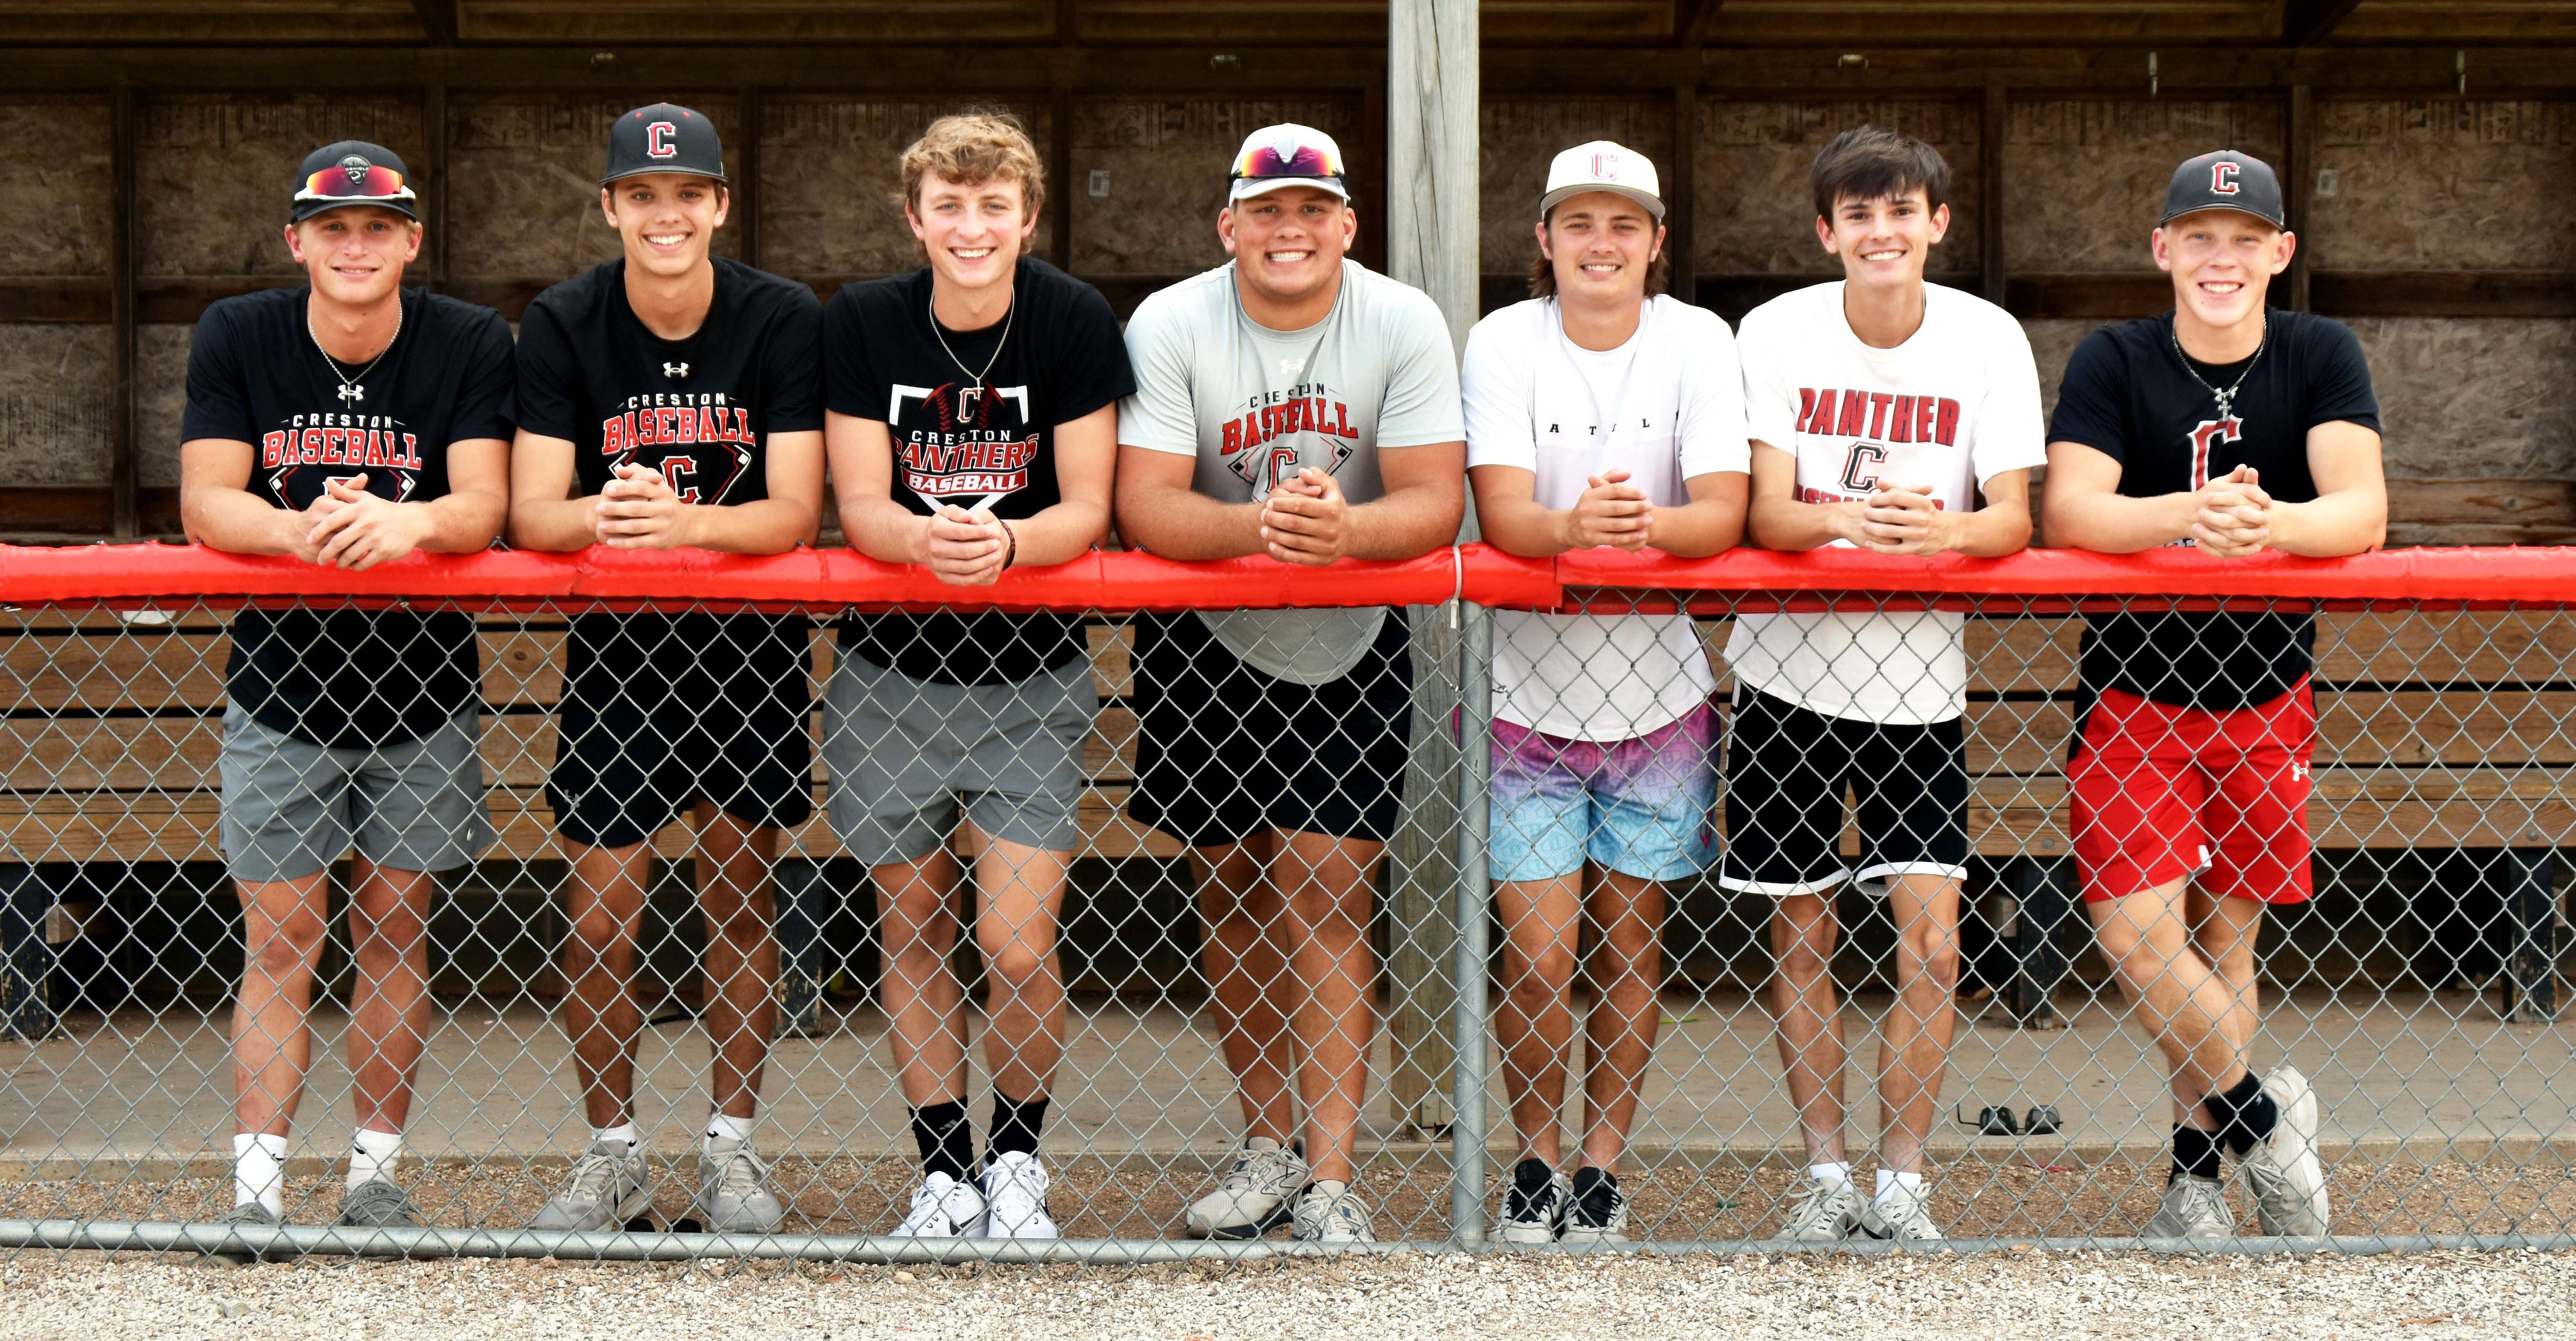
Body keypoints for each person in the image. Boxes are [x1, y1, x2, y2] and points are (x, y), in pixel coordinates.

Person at [1113, 123, 1466, 1244]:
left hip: (1349, 624)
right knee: (1231, 886)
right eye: (1266, 210)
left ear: (1346, 226)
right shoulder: (1172, 319)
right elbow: (1147, 504)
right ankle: (1266, 1147)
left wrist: (1344, 532)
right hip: (1204, 629)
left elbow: (1433, 499)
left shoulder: (1399, 319)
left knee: (1324, 884)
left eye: (1311, 208)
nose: (1289, 227)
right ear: (1229, 226)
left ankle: (1329, 1178)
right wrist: (1258, 528)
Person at [177, 140, 513, 1249]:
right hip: (282, 688)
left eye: (377, 228)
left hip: (422, 693)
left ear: (412, 240)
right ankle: (258, 1192)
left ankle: (374, 1175)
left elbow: (481, 505)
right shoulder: (242, 332)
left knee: (394, 936)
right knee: (278, 942)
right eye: (333, 228)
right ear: (298, 241)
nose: (355, 245)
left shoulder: (465, 337)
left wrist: (403, 523)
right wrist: (307, 532)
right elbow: (209, 502)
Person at [2041, 149, 2374, 1241]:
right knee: (2139, 935)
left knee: (2226, 947)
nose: (2218, 258)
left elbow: (2357, 510)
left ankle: (2195, 1179)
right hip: (2136, 693)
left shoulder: (2318, 350)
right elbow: (2073, 510)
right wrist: (2191, 515)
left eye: (2242, 240)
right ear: (2163, 250)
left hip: (2265, 690)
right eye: (2198, 238)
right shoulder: (2116, 357)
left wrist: (2262, 525)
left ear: (2278, 252)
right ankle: (2263, 1118)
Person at [1722, 125, 2045, 1243]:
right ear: (1826, 232)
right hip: (1786, 678)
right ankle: (1824, 1182)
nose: (1881, 232)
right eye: (1857, 215)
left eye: (1901, 211)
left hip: (1918, 683)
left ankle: (1902, 1183)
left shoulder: (1985, 337)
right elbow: (1763, 510)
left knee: (1933, 944)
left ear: (1937, 224)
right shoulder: (1772, 330)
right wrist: (1839, 522)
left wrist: (1935, 535)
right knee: (1799, 939)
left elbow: (2012, 518)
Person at [509, 103, 825, 1234]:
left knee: (739, 901)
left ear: (720, 204)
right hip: (621, 649)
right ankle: (613, 1152)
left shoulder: (780, 315)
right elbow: (533, 512)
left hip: (745, 652)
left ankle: (729, 1149)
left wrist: (680, 517)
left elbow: (793, 511)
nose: (666, 213)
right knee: (601, 922)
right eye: (642, 195)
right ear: (610, 207)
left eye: (687, 193)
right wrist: (613, 513)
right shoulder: (564, 320)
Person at [823, 112, 1132, 1241]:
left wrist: (1006, 546)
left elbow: (1090, 508)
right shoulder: (863, 319)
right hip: (888, 672)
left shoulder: (1069, 316)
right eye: (948, 207)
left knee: (1015, 941)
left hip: (1031, 676)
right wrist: (921, 542)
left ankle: (1015, 1159)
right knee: (907, 928)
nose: (970, 227)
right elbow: (858, 504)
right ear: (917, 219)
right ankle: (941, 1171)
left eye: (991, 205)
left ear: (1026, 217)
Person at [1462, 142, 1748, 1245]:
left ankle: (1599, 1168)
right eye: (1578, 223)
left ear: (1656, 242)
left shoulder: (1697, 339)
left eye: (1623, 225)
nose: (1600, 244)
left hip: (1658, 698)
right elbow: (1503, 516)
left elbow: (1719, 512)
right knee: (1538, 954)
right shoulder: (1502, 339)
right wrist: (1576, 532)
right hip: (1525, 698)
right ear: (1543, 239)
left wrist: (1630, 532)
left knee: (1630, 949)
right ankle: (1533, 1159)